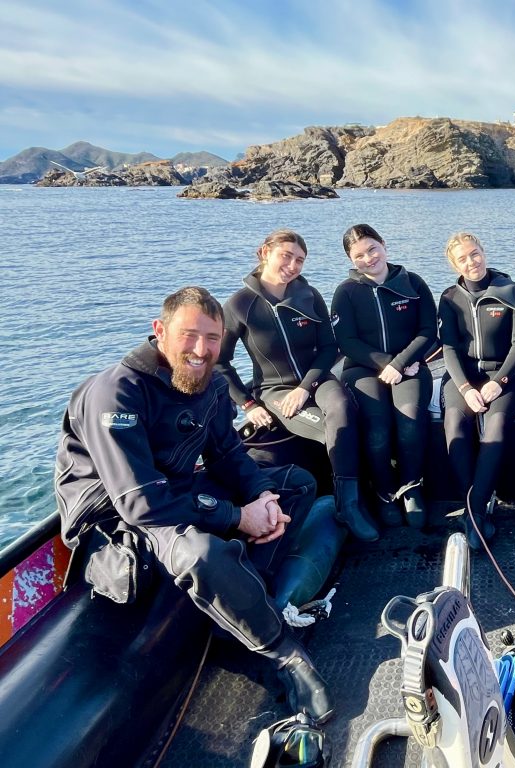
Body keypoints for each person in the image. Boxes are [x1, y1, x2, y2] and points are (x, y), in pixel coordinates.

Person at [55, 286, 334, 723]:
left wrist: (260, 496)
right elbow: (140, 503)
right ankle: (283, 656)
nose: (202, 350)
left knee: (294, 485)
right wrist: (237, 517)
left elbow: (228, 454)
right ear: (159, 331)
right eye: (189, 336)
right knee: (202, 551)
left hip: (178, 492)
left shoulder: (211, 385)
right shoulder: (116, 394)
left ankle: (243, 604)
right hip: (117, 519)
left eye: (213, 338)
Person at [216, 229, 378, 543]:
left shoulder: (308, 295)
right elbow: (220, 362)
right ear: (265, 253)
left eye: (300, 260)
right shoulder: (240, 304)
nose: (293, 265)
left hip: (315, 379)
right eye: (286, 256)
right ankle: (350, 504)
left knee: (344, 407)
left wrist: (305, 387)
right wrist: (248, 405)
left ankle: (354, 501)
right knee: (333, 429)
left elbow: (329, 348)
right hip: (275, 390)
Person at [331, 224, 438, 528]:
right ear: (352, 260)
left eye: (372, 249)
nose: (368, 258)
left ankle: (411, 486)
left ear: (384, 244)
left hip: (412, 365)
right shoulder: (346, 292)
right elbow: (346, 342)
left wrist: (404, 362)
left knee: (409, 421)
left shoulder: (413, 282)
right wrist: (388, 363)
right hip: (364, 368)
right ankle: (384, 491)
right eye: (359, 255)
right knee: (377, 427)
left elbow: (429, 331)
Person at [438, 232, 515, 550]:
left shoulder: (508, 289)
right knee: (453, 422)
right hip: (463, 376)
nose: (471, 262)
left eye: (475, 254)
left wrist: (498, 381)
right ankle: (475, 504)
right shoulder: (449, 297)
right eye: (462, 259)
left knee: (496, 427)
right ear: (454, 265)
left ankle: (473, 512)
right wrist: (464, 387)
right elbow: (448, 347)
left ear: (483, 252)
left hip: (502, 376)